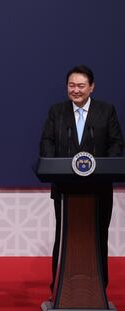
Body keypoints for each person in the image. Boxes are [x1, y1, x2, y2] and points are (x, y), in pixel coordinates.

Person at [40, 64, 124, 294]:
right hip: (65, 188)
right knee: (65, 235)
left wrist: (107, 165)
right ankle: (59, 288)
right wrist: (52, 163)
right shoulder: (57, 112)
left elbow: (116, 143)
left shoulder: (106, 111)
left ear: (91, 87)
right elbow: (47, 141)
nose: (75, 90)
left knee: (98, 236)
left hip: (99, 189)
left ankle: (97, 288)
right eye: (71, 85)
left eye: (81, 85)